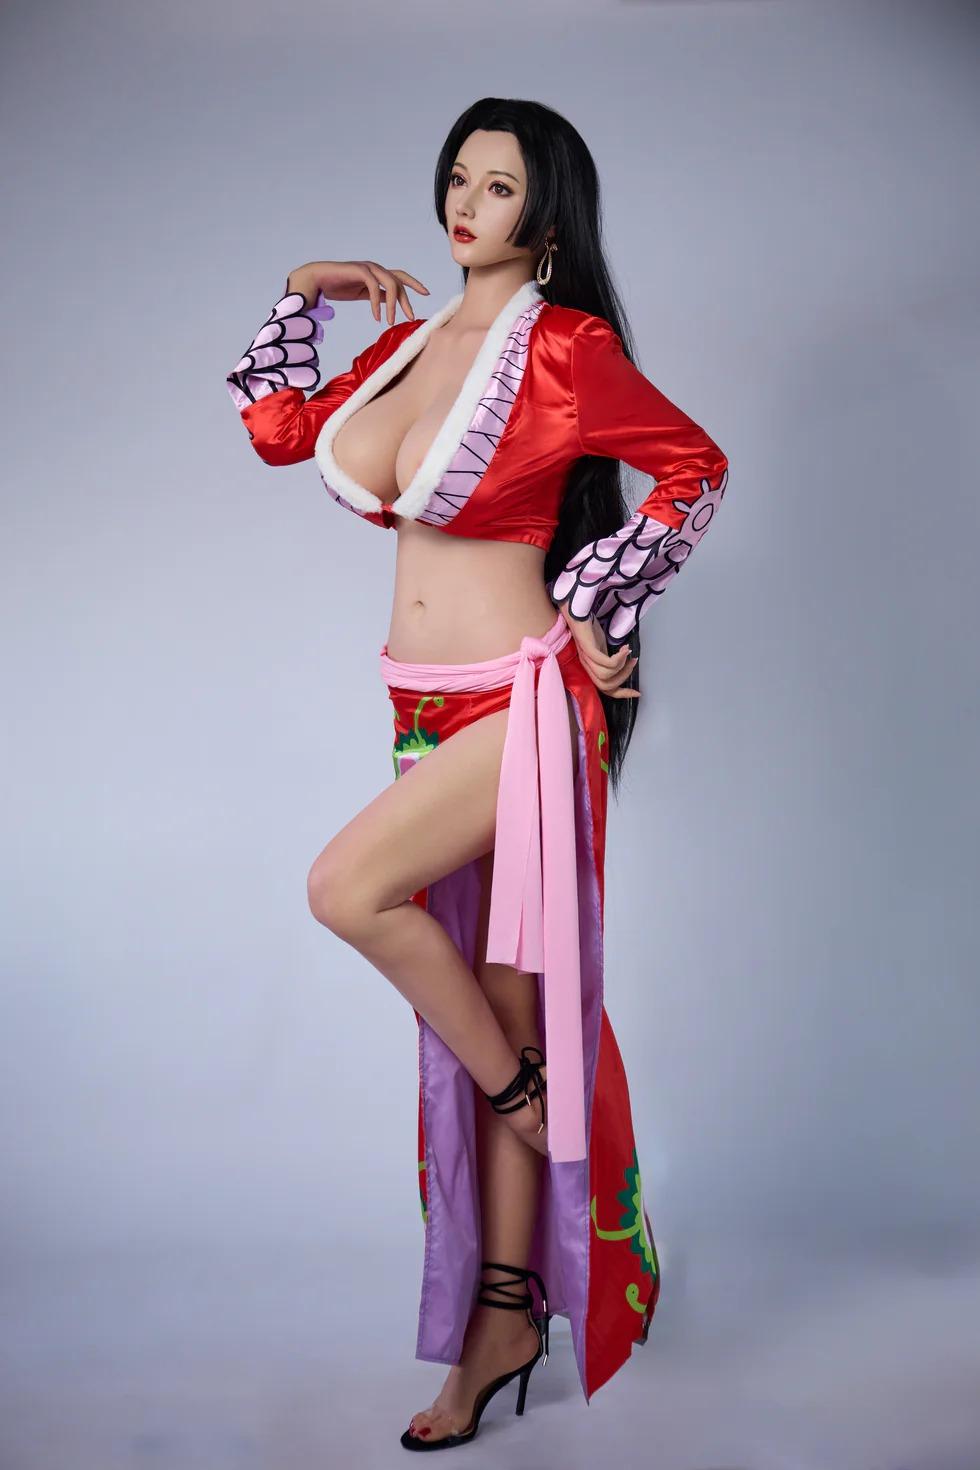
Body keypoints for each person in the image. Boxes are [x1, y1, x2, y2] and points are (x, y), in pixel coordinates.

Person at [226, 96, 729, 1450]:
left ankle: (520, 1094)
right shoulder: (404, 346)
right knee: (497, 1003)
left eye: (499, 186)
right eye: (459, 176)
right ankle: (500, 1321)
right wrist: (303, 289)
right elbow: (277, 428)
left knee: (347, 890)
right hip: (416, 711)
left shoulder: (564, 347)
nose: (466, 203)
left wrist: (601, 600)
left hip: (524, 704)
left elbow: (692, 468)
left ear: (545, 213)